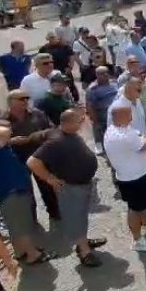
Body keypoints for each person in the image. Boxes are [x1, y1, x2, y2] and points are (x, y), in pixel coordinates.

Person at [27, 109, 106, 267]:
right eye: (79, 120)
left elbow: (39, 135)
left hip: (81, 184)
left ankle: (82, 240)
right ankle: (84, 252)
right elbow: (32, 162)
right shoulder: (56, 141)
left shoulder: (65, 134)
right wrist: (50, 179)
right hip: (71, 187)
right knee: (75, 218)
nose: (83, 122)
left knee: (80, 216)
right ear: (68, 123)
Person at [0, 123, 57, 266]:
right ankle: (33, 255)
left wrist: (10, 140)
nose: (10, 131)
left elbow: (5, 132)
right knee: (21, 225)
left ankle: (21, 252)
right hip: (13, 192)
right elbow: (4, 131)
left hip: (11, 192)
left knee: (16, 224)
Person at [104, 102, 146, 252]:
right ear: (123, 116)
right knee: (134, 208)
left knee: (142, 203)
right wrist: (144, 139)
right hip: (134, 177)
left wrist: (142, 138)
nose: (132, 117)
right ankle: (137, 240)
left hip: (131, 175)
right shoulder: (127, 135)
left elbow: (141, 139)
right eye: (129, 114)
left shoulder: (112, 129)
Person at [4, 88, 61, 224]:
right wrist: (11, 141)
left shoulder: (37, 114)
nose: (25, 101)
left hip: (39, 157)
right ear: (11, 102)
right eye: (21, 99)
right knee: (25, 190)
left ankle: (54, 212)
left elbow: (51, 129)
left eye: (27, 98)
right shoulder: (2, 120)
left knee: (47, 187)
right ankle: (31, 219)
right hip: (17, 160)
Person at [85, 67, 118, 155]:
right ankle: (98, 146)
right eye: (102, 73)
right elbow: (89, 106)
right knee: (98, 129)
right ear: (96, 75)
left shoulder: (114, 83)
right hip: (101, 113)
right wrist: (94, 120)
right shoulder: (93, 89)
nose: (105, 75)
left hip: (115, 112)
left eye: (106, 72)